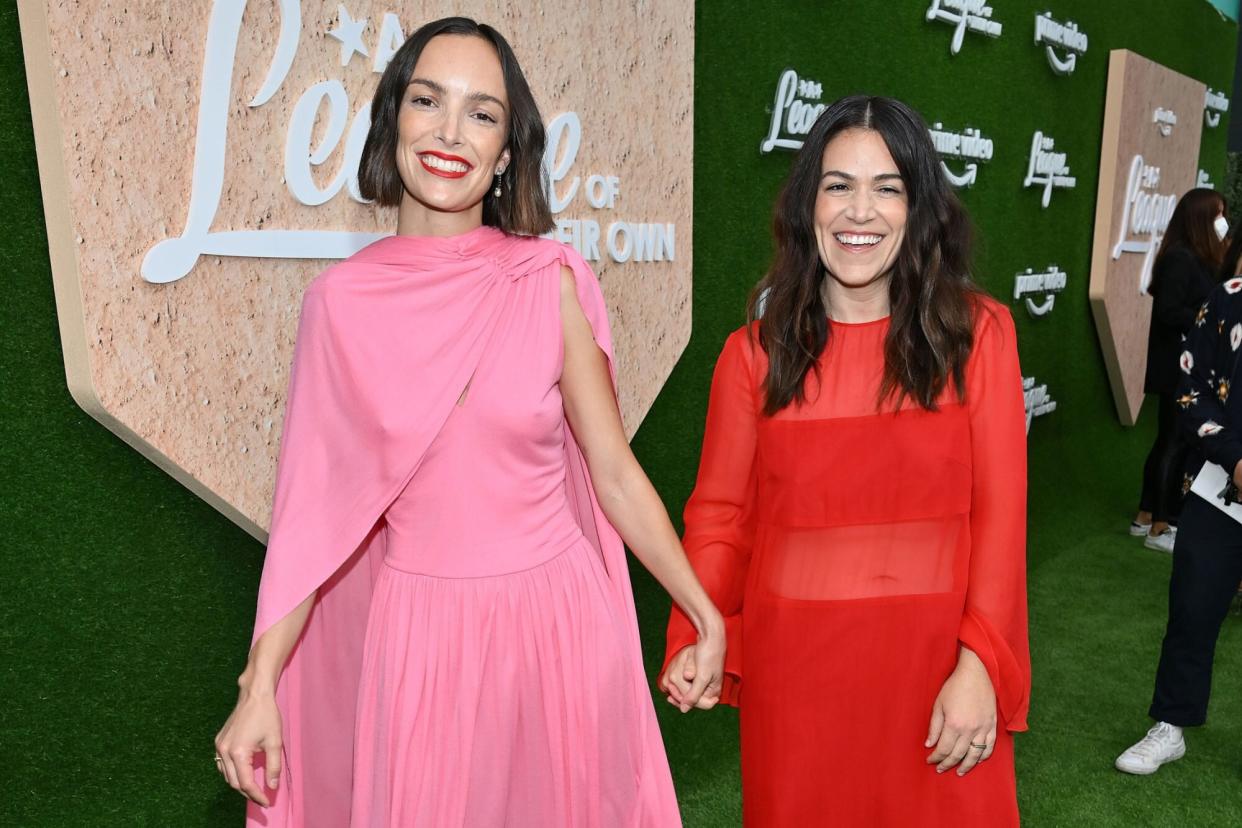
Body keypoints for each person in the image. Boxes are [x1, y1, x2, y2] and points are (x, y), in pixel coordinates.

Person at [212, 18, 725, 827]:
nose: (451, 133)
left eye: (482, 114)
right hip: (423, 644)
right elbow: (310, 517)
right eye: (428, 101)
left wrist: (702, 608)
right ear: (393, 122)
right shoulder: (340, 308)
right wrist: (260, 685)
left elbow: (613, 472)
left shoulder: (549, 280)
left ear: (509, 150)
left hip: (559, 627)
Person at [660, 96, 1030, 825]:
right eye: (839, 186)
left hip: (936, 687)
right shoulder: (753, 355)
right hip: (796, 691)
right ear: (808, 204)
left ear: (919, 208)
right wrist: (696, 627)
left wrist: (982, 663)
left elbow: (1000, 515)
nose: (861, 212)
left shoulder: (979, 337)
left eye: (887, 188)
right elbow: (721, 518)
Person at [1115, 274, 1242, 775]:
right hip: (1222, 487)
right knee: (1192, 608)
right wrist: (1234, 459)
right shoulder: (1231, 297)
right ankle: (1170, 725)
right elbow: (1190, 387)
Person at [1132, 189, 1228, 552]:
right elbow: (1170, 311)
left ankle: (1144, 515)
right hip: (1176, 365)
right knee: (1173, 441)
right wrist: (1210, 320)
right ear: (1200, 217)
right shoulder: (1180, 259)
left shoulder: (1199, 259)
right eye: (1218, 214)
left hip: (1186, 365)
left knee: (1167, 440)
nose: (1223, 222)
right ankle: (1161, 524)